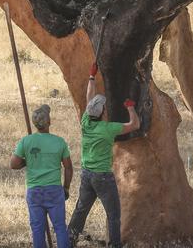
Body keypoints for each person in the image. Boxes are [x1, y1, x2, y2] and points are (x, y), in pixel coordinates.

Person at [67, 72, 140, 248]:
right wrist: (130, 108)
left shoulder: (86, 121)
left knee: (81, 210)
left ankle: (69, 240)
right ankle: (115, 245)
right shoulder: (108, 129)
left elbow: (89, 96)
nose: (106, 110)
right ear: (102, 113)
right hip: (103, 178)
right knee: (113, 214)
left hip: (87, 176)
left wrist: (91, 76)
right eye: (105, 109)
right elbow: (135, 125)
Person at [11, 104, 74, 248]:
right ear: (49, 122)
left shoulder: (26, 141)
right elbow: (68, 167)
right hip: (54, 190)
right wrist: (66, 188)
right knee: (60, 228)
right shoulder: (59, 142)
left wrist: (27, 162)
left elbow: (13, 164)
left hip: (34, 191)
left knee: (37, 230)